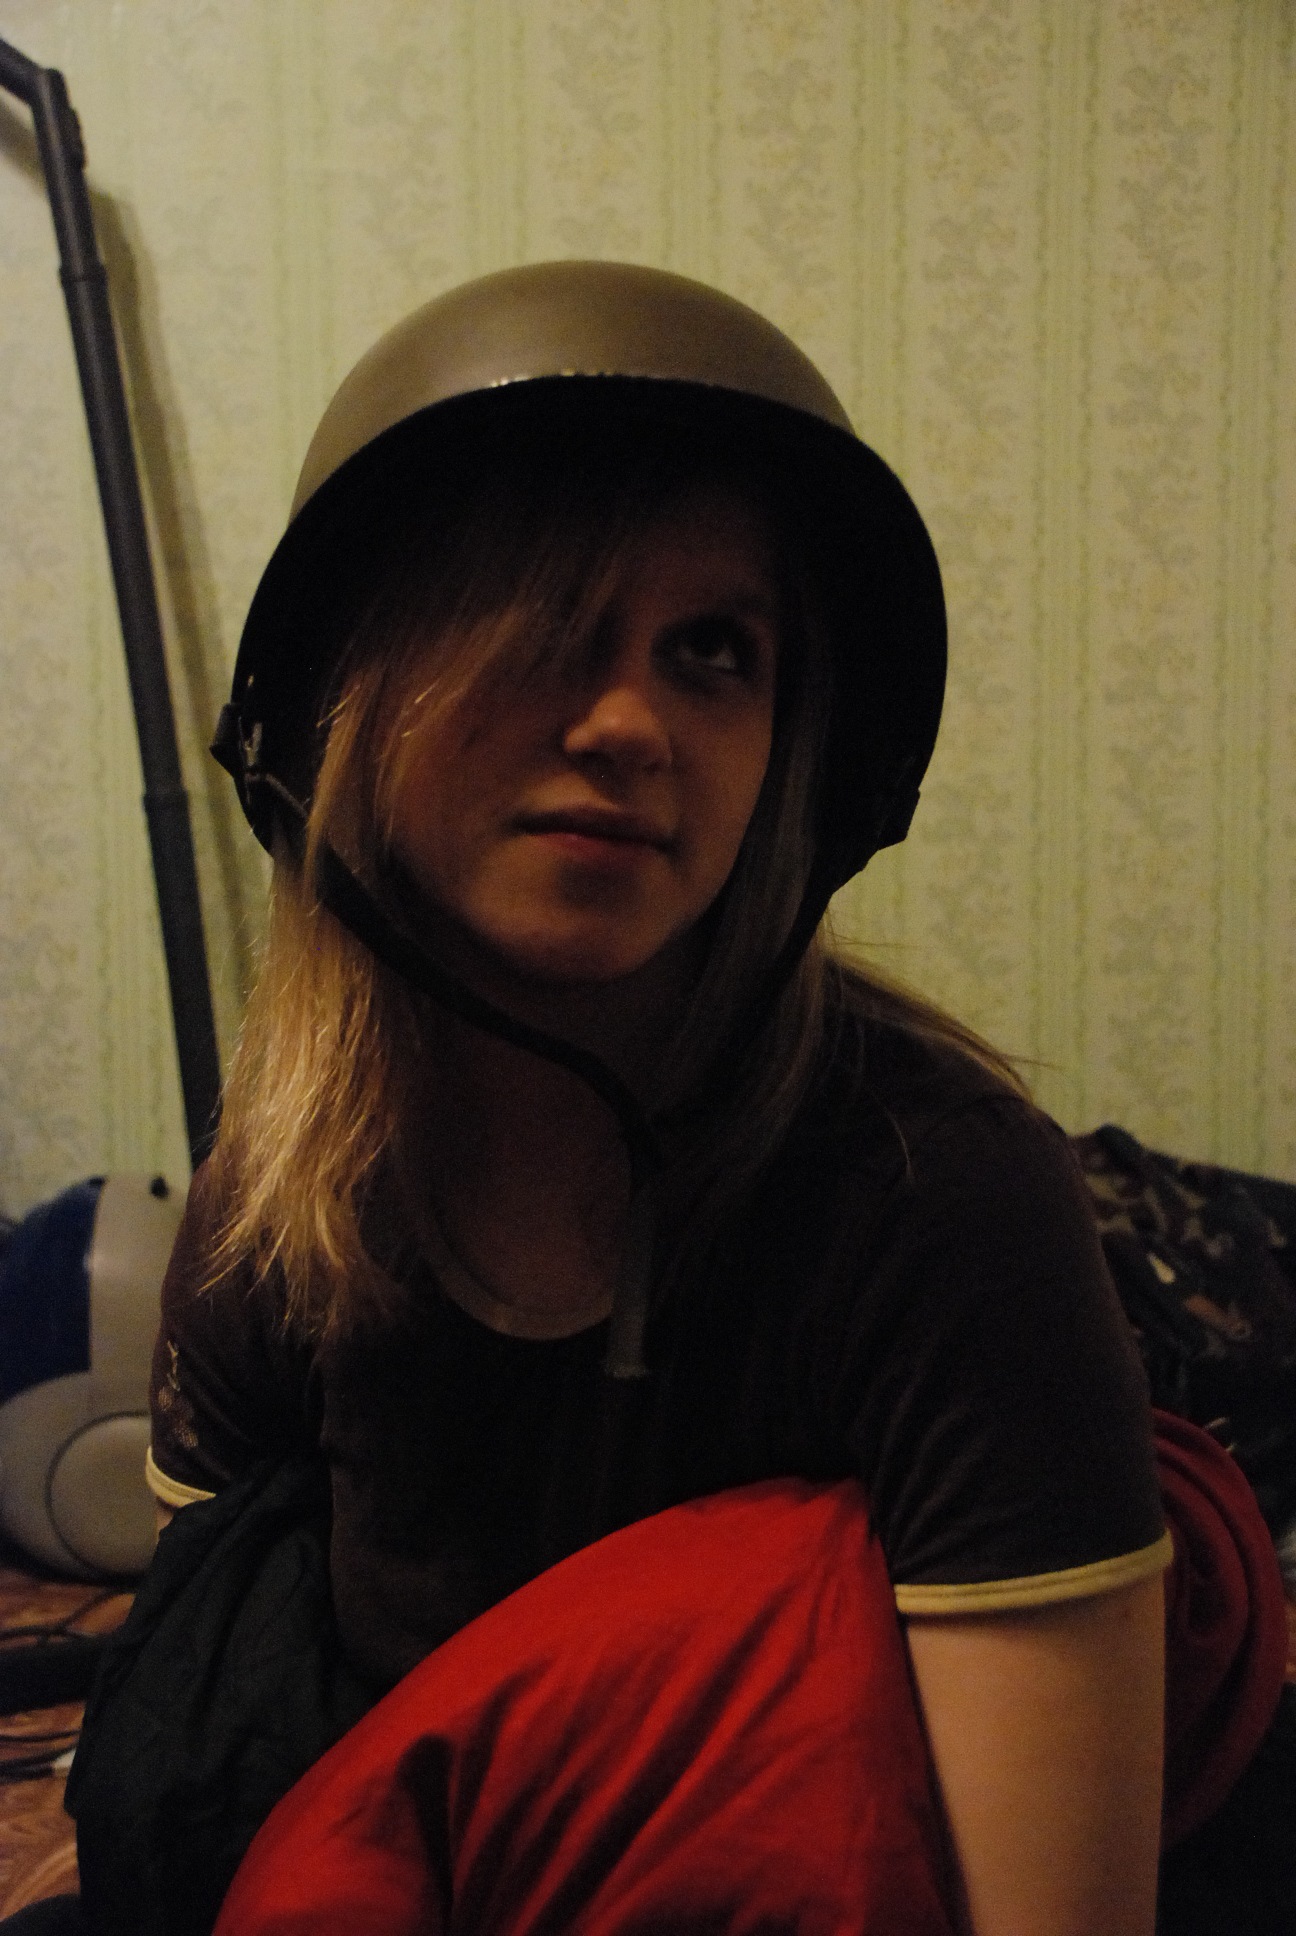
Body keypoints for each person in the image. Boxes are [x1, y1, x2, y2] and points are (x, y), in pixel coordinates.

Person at [69, 263, 1169, 1935]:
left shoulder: (938, 1195)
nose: (633, 723)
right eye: (543, 621)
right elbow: (218, 1754)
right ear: (348, 693)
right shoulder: (275, 1200)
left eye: (712, 651)